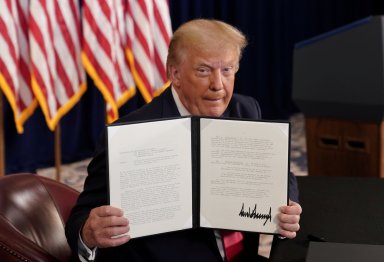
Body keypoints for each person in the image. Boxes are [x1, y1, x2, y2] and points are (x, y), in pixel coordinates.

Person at [65, 18, 302, 262]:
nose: (218, 85)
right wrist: (88, 235)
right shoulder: (128, 136)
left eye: (227, 70)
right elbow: (80, 220)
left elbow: (280, 174)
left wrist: (287, 203)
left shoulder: (246, 109)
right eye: (204, 70)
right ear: (175, 74)